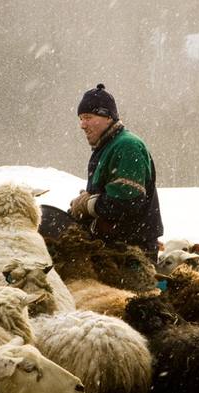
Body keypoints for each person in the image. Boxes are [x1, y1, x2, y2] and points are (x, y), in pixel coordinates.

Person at [68, 84, 163, 262]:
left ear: (108, 117)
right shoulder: (106, 147)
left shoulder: (127, 146)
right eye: (80, 119)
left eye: (88, 117)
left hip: (131, 253)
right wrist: (88, 200)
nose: (82, 125)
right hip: (113, 248)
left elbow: (126, 202)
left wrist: (88, 205)